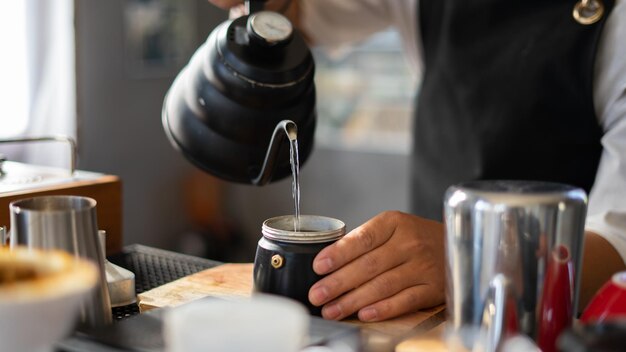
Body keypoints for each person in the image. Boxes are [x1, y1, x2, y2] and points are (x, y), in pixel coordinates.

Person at [208, 0, 626, 322]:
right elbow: (297, 14)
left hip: (561, 327)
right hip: (430, 321)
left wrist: (470, 260)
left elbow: (618, 246)